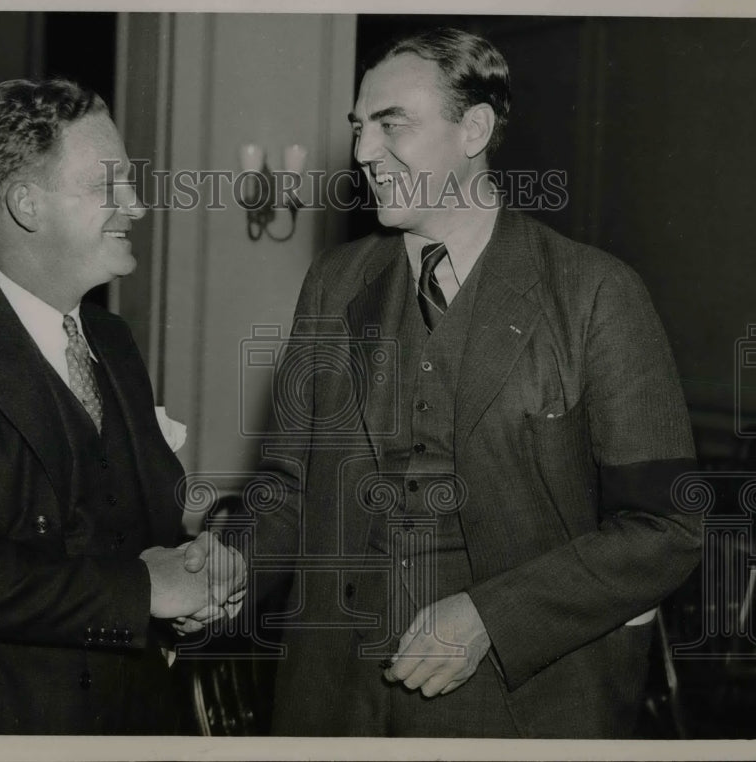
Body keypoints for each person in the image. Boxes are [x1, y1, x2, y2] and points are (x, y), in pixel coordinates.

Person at [245, 28, 702, 737]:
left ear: (475, 129)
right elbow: (286, 487)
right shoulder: (335, 284)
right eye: (359, 128)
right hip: (333, 703)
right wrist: (222, 561)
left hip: (524, 705)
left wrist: (493, 615)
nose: (364, 152)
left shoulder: (594, 294)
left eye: (392, 124)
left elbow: (667, 528)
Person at [0, 78, 244, 734]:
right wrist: (144, 590)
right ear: (25, 204)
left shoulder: (114, 341)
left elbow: (136, 526)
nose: (136, 205)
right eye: (109, 186)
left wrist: (197, 564)